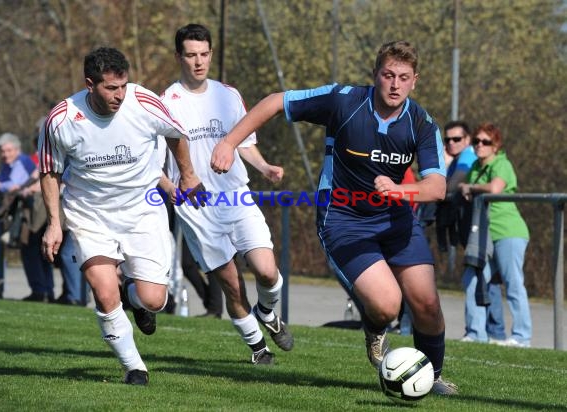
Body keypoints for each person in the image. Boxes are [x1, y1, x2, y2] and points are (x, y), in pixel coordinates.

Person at [211, 40, 457, 394]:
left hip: (396, 219)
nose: (394, 84)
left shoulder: (421, 122)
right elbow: (276, 101)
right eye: (388, 75)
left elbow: (436, 187)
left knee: (427, 303)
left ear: (414, 81)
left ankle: (429, 378)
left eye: (403, 77)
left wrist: (399, 191)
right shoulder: (344, 100)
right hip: (343, 220)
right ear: (376, 75)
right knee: (388, 306)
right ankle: (376, 328)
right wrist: (229, 143)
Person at [38, 46, 203, 385]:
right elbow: (49, 171)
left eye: (123, 85)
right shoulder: (62, 119)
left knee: (155, 299)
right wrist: (55, 224)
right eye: (110, 88)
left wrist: (187, 176)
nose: (119, 95)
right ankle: (134, 368)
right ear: (89, 84)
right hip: (89, 215)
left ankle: (137, 299)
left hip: (143, 211)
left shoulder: (143, 102)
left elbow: (176, 134)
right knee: (102, 289)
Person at [159, 23, 293, 365]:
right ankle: (258, 349)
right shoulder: (165, 103)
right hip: (197, 207)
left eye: (204, 54)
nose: (198, 62)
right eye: (190, 55)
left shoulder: (227, 95)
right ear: (179, 57)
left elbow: (244, 142)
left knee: (267, 271)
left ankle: (267, 312)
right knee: (231, 285)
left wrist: (264, 168)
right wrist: (173, 189)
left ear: (211, 54)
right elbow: (150, 162)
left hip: (235, 196)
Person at [458, 122, 532, 347]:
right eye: (476, 141)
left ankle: (521, 336)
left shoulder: (502, 163)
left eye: (485, 142)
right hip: (483, 234)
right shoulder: (475, 168)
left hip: (508, 231)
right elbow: (462, 185)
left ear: (495, 146)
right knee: (472, 278)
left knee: (513, 282)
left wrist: (469, 188)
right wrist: (463, 186)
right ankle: (475, 333)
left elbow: (495, 188)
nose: (479, 145)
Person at [440, 120, 505, 343]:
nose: (451, 143)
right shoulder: (473, 162)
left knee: (494, 280)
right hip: (474, 227)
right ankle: (483, 333)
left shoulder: (468, 158)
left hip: (493, 229)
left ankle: (500, 333)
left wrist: (453, 177)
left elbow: (446, 187)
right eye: (446, 140)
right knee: (480, 277)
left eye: (456, 139)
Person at [0, 133, 55, 302]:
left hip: (30, 214)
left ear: (17, 149)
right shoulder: (8, 164)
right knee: (33, 252)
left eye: (8, 150)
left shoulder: (22, 162)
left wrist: (1, 185)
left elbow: (15, 186)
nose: (4, 154)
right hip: (22, 213)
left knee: (31, 251)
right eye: (2, 151)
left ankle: (40, 291)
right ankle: (44, 291)